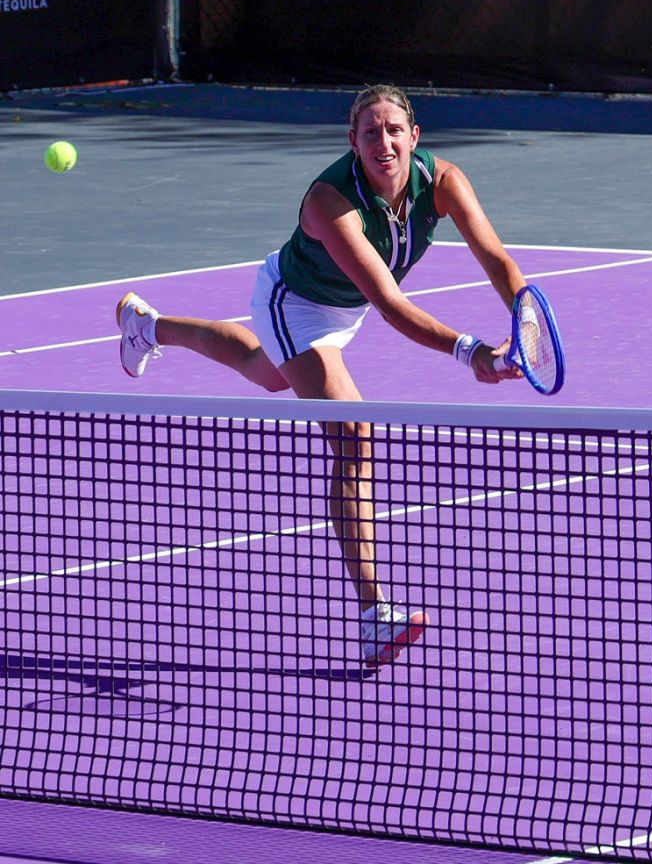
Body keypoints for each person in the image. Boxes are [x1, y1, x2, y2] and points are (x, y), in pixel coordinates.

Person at [113, 84, 526, 669]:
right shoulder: (329, 200)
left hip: (346, 305)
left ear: (414, 136)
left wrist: (524, 321)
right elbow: (390, 305)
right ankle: (374, 614)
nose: (383, 142)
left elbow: (498, 261)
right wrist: (471, 352)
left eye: (393, 130)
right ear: (353, 141)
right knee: (354, 436)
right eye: (370, 132)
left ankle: (147, 327)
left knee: (266, 372)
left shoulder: (444, 183)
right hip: (295, 304)